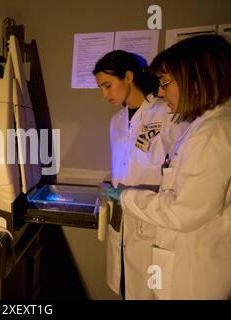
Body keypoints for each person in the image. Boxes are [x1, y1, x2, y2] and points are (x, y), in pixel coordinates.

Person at [108, 34, 231, 299]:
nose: (161, 91)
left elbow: (183, 211)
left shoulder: (212, 133)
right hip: (181, 258)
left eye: (165, 83)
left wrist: (127, 197)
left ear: (196, 82)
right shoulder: (205, 128)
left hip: (195, 275)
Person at [93, 50, 188, 299]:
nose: (104, 95)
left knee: (148, 290)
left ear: (128, 76)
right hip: (121, 219)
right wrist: (107, 186)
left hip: (151, 221)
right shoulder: (116, 121)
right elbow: (123, 167)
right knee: (123, 286)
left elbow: (177, 169)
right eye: (100, 88)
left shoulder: (165, 114)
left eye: (107, 85)